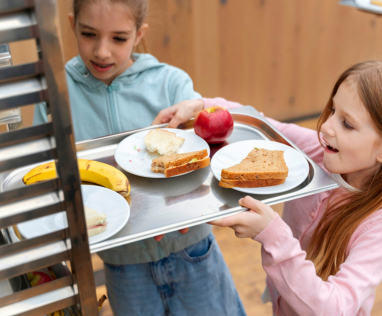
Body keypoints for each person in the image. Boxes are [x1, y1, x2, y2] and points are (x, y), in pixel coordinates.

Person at [33, 0, 245, 315]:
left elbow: (203, 163)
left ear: (138, 33)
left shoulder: (172, 83)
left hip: (193, 251)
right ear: (71, 24)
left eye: (118, 38)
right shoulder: (54, 98)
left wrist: (191, 203)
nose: (102, 51)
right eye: (89, 34)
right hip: (123, 266)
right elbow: (44, 178)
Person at [162, 61, 382, 316]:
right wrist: (202, 105)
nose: (326, 126)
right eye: (332, 110)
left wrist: (272, 235)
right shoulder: (317, 151)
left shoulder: (375, 228)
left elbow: (335, 308)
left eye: (347, 124)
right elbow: (263, 125)